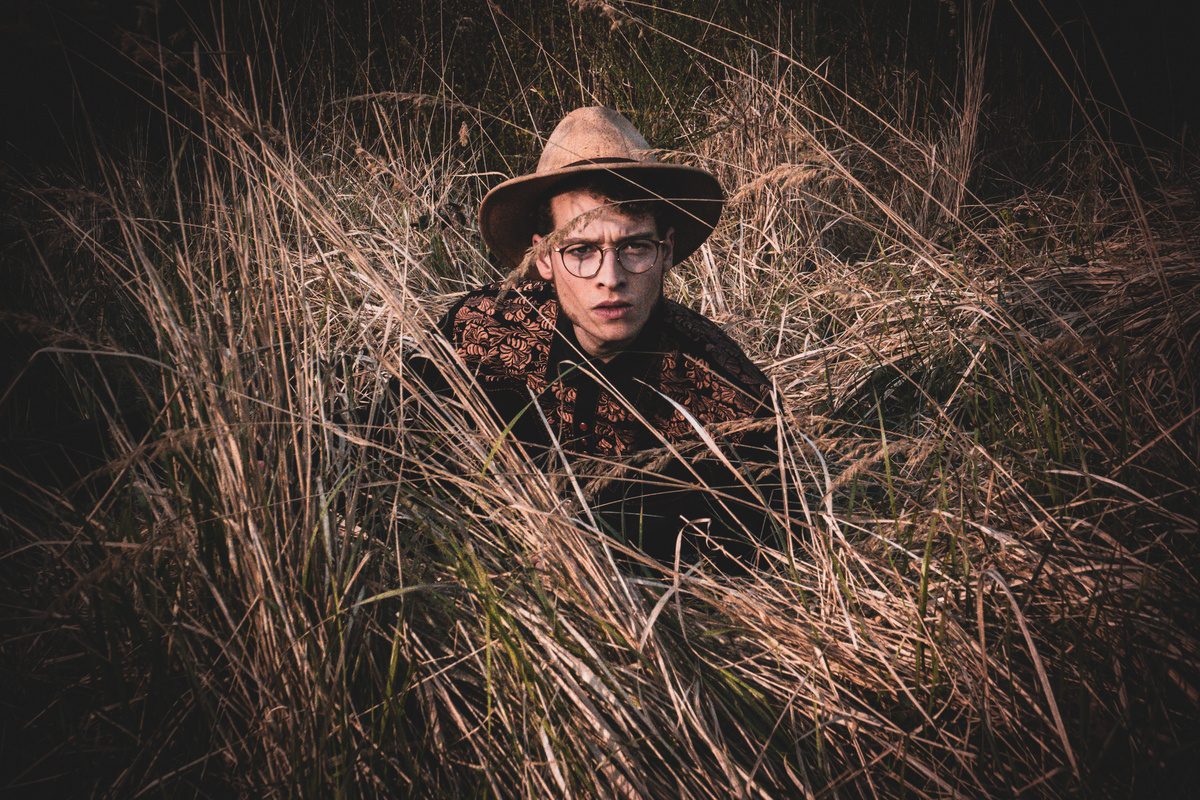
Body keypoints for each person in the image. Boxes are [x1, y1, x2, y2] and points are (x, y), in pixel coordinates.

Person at [418, 107, 780, 570]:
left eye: (634, 247)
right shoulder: (480, 331)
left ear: (666, 251)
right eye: (582, 250)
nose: (610, 278)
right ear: (544, 258)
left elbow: (754, 563)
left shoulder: (731, 398)